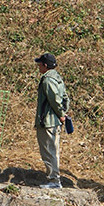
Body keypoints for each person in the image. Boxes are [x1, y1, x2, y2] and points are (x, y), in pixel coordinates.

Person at [33, 51, 70, 189]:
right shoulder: (58, 78)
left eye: (39, 64)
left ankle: (54, 180)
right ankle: (54, 179)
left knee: (48, 151)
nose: (38, 67)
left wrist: (60, 113)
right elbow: (65, 98)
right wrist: (63, 112)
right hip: (54, 122)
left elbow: (54, 99)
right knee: (54, 151)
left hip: (47, 122)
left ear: (44, 65)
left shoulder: (47, 80)